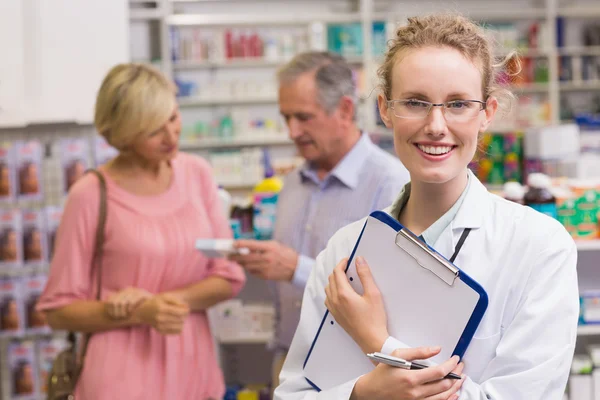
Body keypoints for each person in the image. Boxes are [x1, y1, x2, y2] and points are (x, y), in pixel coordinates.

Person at [275, 13, 579, 400]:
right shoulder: (343, 251)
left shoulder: (539, 247)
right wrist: (362, 394)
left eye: (457, 104)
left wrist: (379, 343)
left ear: (486, 112)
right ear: (385, 109)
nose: (436, 125)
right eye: (416, 102)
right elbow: (294, 394)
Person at [36, 63, 246, 400]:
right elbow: (57, 311)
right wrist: (138, 313)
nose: (171, 134)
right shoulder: (90, 195)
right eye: (152, 130)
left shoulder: (198, 176)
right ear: (122, 135)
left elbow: (228, 275)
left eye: (173, 117)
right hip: (119, 377)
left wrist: (165, 303)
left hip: (194, 368)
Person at [230, 51, 410, 390]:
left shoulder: (390, 183)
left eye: (303, 117)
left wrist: (295, 269)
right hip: (289, 364)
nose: (292, 131)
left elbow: (389, 294)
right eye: (286, 118)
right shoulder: (292, 184)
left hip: (355, 372)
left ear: (344, 110)